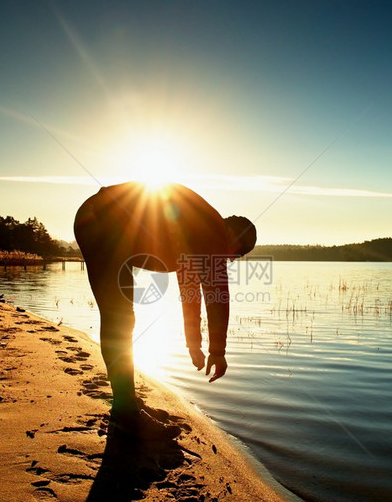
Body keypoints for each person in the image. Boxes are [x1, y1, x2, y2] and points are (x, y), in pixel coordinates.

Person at [74, 181, 257, 432]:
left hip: (99, 216)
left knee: (121, 316)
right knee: (120, 317)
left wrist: (194, 343)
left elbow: (190, 292)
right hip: (102, 220)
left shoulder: (198, 234)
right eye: (235, 255)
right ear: (234, 238)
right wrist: (218, 351)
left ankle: (125, 400)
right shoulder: (212, 230)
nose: (228, 260)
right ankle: (125, 411)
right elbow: (217, 296)